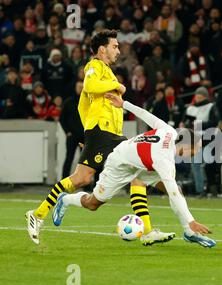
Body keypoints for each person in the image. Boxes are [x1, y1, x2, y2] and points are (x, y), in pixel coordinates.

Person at [26, 30, 172, 246]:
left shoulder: (107, 71)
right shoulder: (94, 66)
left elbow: (82, 104)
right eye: (115, 46)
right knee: (85, 179)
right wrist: (118, 87)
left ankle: (148, 230)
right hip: (102, 133)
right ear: (102, 49)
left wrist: (87, 131)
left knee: (134, 176)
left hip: (111, 135)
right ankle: (37, 215)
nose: (118, 50)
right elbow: (89, 86)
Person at [52, 93, 216, 248]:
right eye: (193, 152)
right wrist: (191, 220)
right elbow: (173, 193)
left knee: (169, 187)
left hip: (140, 163)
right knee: (93, 203)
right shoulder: (164, 159)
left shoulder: (170, 131)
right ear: (186, 146)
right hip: (119, 163)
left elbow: (146, 115)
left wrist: (124, 104)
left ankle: (187, 232)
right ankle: (65, 199)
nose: (192, 156)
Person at [60, 81, 85, 178]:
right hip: (72, 136)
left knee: (85, 161)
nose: (80, 89)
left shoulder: (88, 102)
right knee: (69, 158)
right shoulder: (68, 102)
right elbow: (62, 119)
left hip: (84, 136)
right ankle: (63, 182)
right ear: (75, 88)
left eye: (82, 87)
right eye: (79, 87)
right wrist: (67, 132)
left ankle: (85, 183)